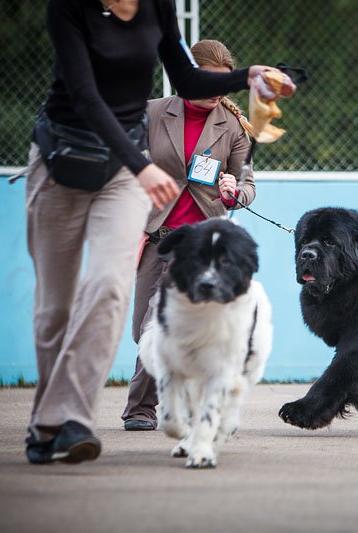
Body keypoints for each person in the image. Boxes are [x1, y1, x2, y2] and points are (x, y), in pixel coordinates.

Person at [24, 0, 294, 464]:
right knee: (57, 308)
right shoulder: (71, 9)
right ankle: (46, 421)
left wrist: (250, 75)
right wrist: (142, 166)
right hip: (66, 158)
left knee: (110, 291)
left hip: (160, 209)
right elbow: (86, 97)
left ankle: (72, 420)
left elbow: (190, 80)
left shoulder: (159, 11)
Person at [120, 39, 257, 431]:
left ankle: (142, 408)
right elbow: (124, 168)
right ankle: (172, 395)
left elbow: (248, 185)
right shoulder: (151, 113)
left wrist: (236, 191)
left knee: (158, 322)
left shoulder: (233, 127)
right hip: (154, 237)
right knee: (142, 330)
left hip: (202, 244)